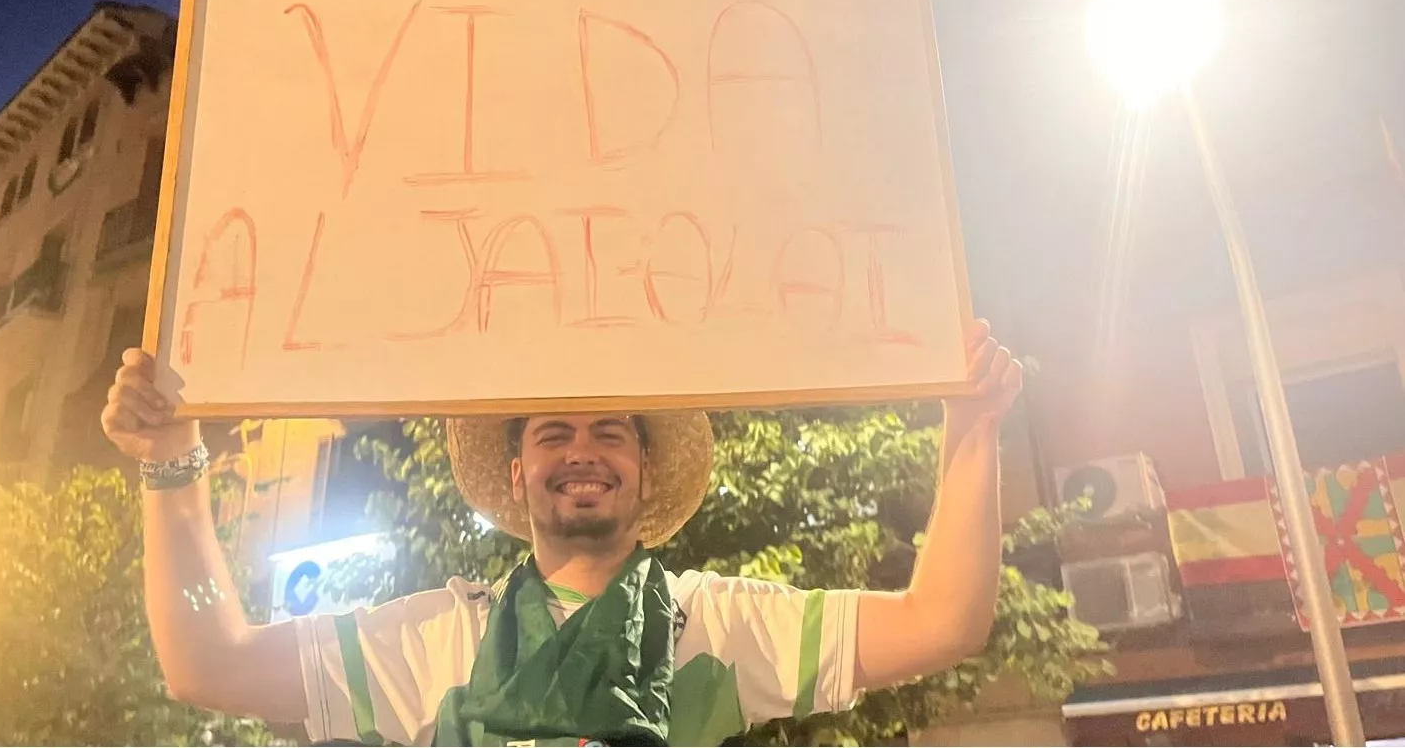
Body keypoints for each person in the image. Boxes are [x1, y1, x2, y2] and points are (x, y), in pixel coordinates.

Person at [102, 320, 1022, 746]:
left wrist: (973, 423)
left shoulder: (717, 624)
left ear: (643, 468)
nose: (582, 451)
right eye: (553, 433)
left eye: (609, 431)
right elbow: (209, 665)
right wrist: (172, 465)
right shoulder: (435, 639)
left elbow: (943, 621)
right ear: (517, 474)